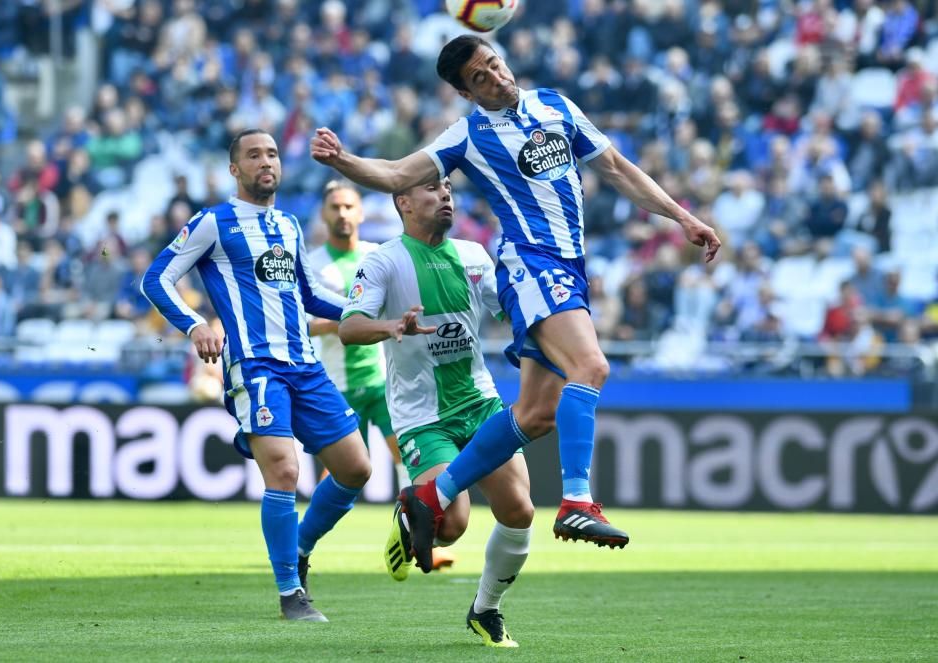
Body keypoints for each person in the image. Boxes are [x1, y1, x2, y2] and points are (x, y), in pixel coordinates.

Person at [311, 35, 721, 566]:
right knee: (591, 366)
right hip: (532, 262)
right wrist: (342, 159)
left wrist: (682, 216)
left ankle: (429, 497)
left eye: (494, 65)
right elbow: (395, 174)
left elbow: (617, 168)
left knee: (536, 413)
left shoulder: (556, 105)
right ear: (466, 93)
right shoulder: (469, 135)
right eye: (479, 78)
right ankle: (576, 498)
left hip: (570, 268)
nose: (496, 78)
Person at [141, 129, 372, 623]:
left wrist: (371, 313)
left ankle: (301, 547)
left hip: (306, 365)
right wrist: (195, 323)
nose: (265, 161)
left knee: (357, 468)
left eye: (271, 153)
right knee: (285, 473)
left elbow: (312, 297)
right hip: (255, 366)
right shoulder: (213, 223)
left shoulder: (289, 225)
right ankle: (292, 594)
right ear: (234, 169)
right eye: (253, 155)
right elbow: (155, 278)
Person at [338, 176, 534, 648]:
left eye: (447, 187)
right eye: (431, 189)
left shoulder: (473, 255)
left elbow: (506, 309)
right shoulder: (383, 261)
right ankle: (409, 520)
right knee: (452, 523)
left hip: (480, 400)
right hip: (421, 414)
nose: (445, 194)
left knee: (520, 511)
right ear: (404, 202)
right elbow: (349, 328)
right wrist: (391, 326)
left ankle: (486, 610)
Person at [307, 179, 456, 569]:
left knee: (411, 460)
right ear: (324, 215)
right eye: (334, 207)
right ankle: (307, 544)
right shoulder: (313, 265)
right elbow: (302, 324)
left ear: (360, 213)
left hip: (382, 382)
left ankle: (425, 540)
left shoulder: (378, 257)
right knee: (339, 473)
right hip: (336, 385)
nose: (342, 214)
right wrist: (352, 317)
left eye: (348, 207)